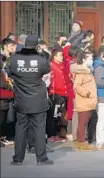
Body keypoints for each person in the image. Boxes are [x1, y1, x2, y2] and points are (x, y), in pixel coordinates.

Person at [9, 35, 53, 165]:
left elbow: (11, 72)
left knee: (20, 129)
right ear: (37, 45)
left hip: (21, 99)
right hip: (38, 99)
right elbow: (46, 71)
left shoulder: (15, 59)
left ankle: (17, 159)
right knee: (39, 129)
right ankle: (41, 158)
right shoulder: (41, 59)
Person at [71, 51, 97, 151]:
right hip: (84, 101)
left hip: (90, 101)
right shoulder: (81, 72)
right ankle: (82, 142)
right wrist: (86, 93)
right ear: (83, 60)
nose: (92, 61)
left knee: (86, 121)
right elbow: (76, 86)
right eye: (90, 59)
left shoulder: (89, 70)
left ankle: (81, 141)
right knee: (83, 123)